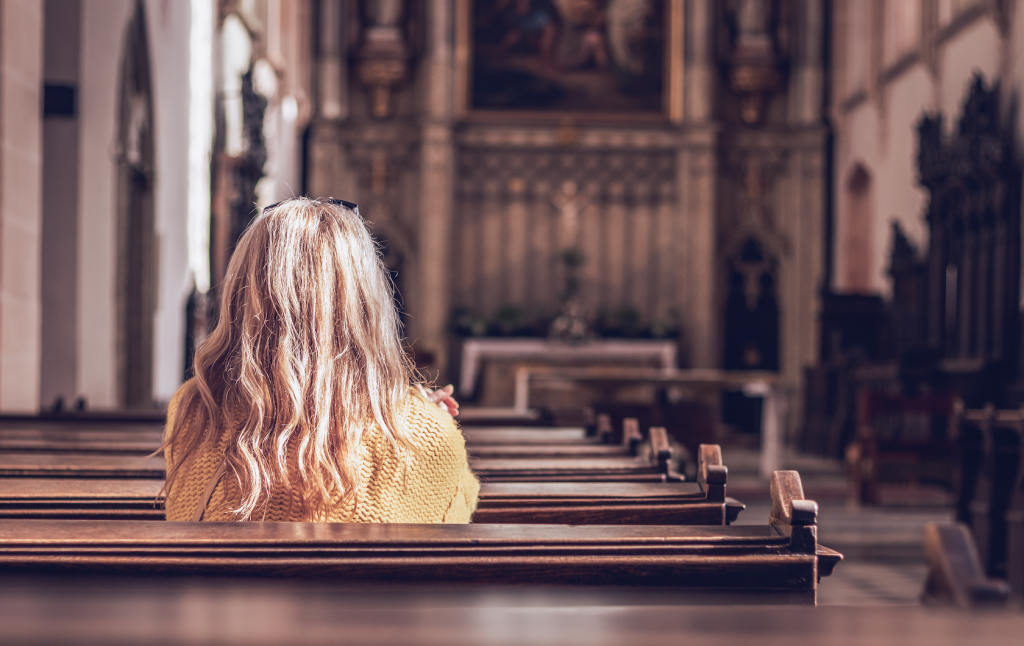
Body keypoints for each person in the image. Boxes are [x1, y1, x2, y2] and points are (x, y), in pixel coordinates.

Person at [160, 197, 478, 523]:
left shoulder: (195, 410)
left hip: (214, 577)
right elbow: (452, 518)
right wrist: (428, 419)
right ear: (367, 303)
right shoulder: (429, 436)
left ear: (243, 295)